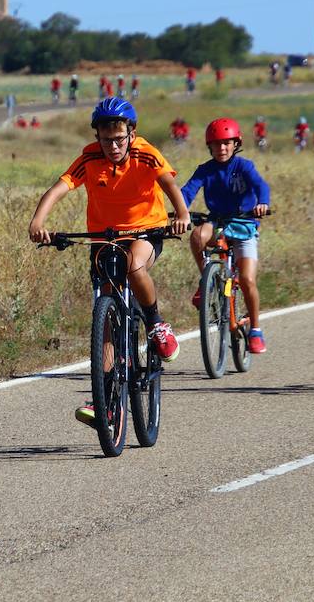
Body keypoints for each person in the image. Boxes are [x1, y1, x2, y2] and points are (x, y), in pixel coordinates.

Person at [28, 98, 190, 425]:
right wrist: (38, 222)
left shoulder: (145, 152)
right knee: (104, 310)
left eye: (119, 138)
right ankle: (104, 398)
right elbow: (59, 188)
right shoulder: (89, 157)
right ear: (97, 137)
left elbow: (169, 183)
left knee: (134, 267)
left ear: (131, 134)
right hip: (105, 237)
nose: (113, 146)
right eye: (106, 140)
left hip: (146, 231)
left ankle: (157, 324)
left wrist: (183, 215)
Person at [181, 118, 272, 354]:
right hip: (218, 222)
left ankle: (255, 330)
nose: (221, 149)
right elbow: (188, 191)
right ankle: (206, 282)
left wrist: (263, 202)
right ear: (209, 147)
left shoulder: (244, 166)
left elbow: (261, 186)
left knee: (248, 280)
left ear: (236, 144)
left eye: (226, 143)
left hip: (244, 225)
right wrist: (179, 211)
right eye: (216, 144)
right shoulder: (205, 170)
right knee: (197, 236)